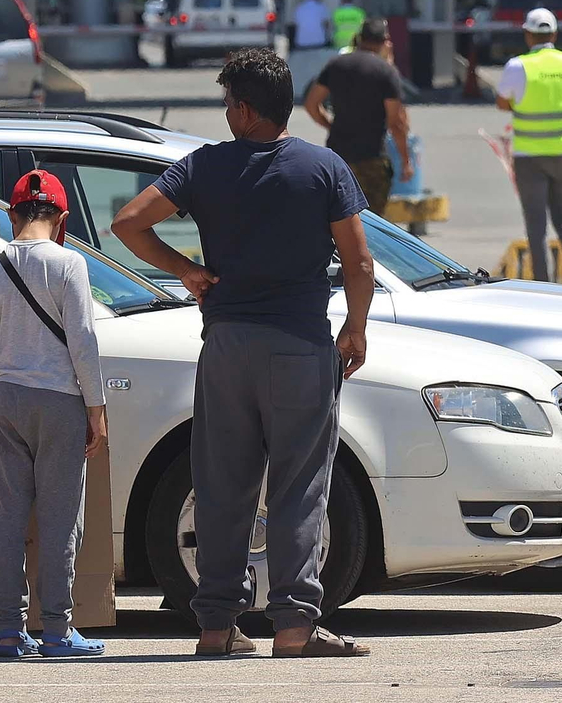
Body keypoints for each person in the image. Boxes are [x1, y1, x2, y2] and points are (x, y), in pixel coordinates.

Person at [111, 48, 375, 660]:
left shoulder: (203, 167)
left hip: (227, 345)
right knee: (299, 488)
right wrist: (355, 329)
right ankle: (293, 628)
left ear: (247, 109)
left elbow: (129, 222)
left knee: (222, 485)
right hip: (301, 344)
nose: (226, 113)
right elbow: (359, 261)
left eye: (229, 102)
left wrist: (188, 272)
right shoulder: (324, 167)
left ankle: (215, 628)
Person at [0, 170, 108, 661]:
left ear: (13, 215)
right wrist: (96, 407)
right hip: (60, 400)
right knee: (62, 519)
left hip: (9, 401)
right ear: (61, 220)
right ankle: (58, 630)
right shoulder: (70, 264)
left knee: (8, 516)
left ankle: (7, 631)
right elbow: (83, 340)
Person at [496, 8, 562, 287]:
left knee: (536, 224)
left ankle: (542, 283)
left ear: (528, 34)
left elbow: (502, 102)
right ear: (555, 34)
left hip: (528, 154)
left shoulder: (518, 66)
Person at [303, 18, 412, 215]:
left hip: (338, 159)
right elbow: (396, 122)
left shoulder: (336, 65)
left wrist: (330, 125)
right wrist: (405, 161)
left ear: (359, 38)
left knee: (337, 220)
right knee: (372, 226)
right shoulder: (386, 72)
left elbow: (312, 104)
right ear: (385, 41)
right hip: (371, 160)